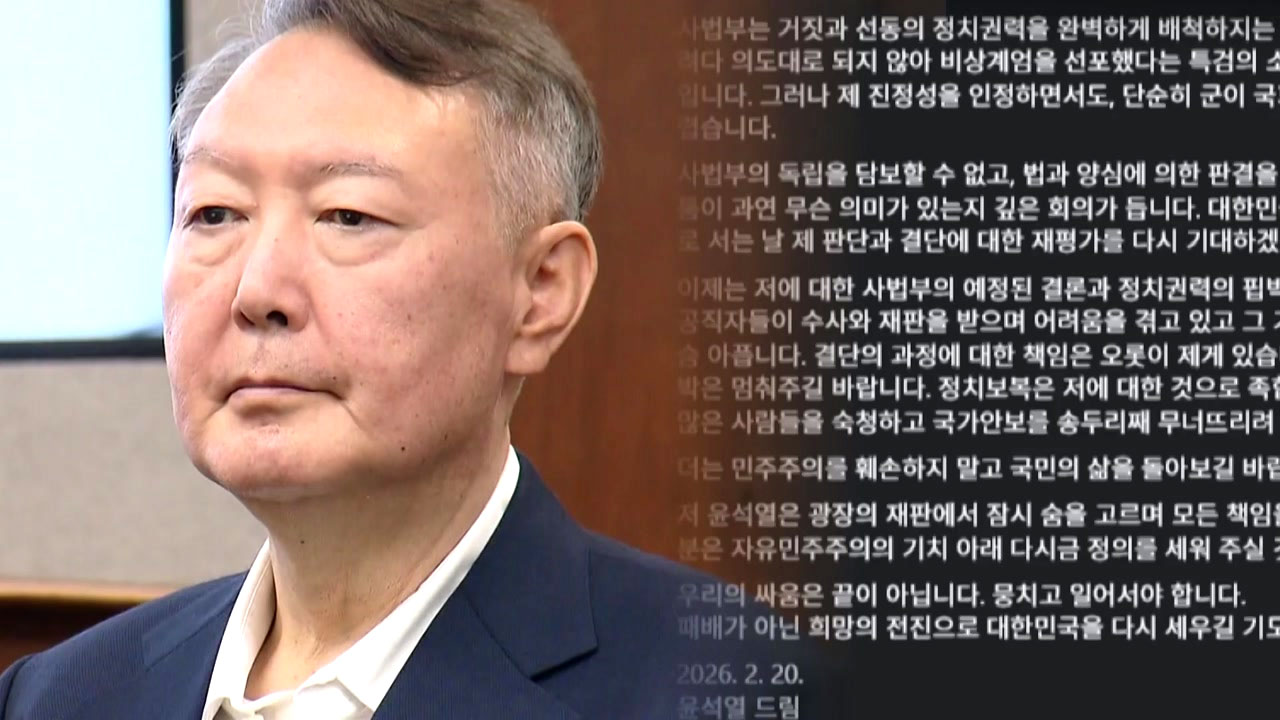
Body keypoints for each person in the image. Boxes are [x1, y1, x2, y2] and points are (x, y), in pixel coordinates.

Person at [0, 1, 799, 718]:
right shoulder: (58, 696)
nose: (257, 290)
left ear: (541, 291)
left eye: (348, 216)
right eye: (214, 213)